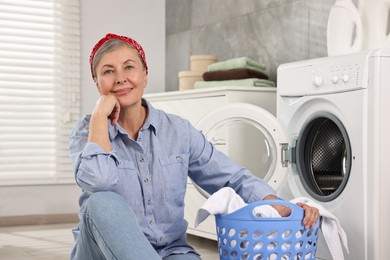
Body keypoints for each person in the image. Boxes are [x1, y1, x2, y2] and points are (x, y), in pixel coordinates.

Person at [69, 33, 320, 260]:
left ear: (145, 74)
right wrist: (100, 115)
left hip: (171, 251)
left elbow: (232, 178)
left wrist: (280, 205)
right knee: (101, 203)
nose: (121, 78)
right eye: (108, 71)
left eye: (129, 67)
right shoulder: (87, 131)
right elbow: (100, 181)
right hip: (100, 253)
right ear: (97, 83)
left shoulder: (178, 131)